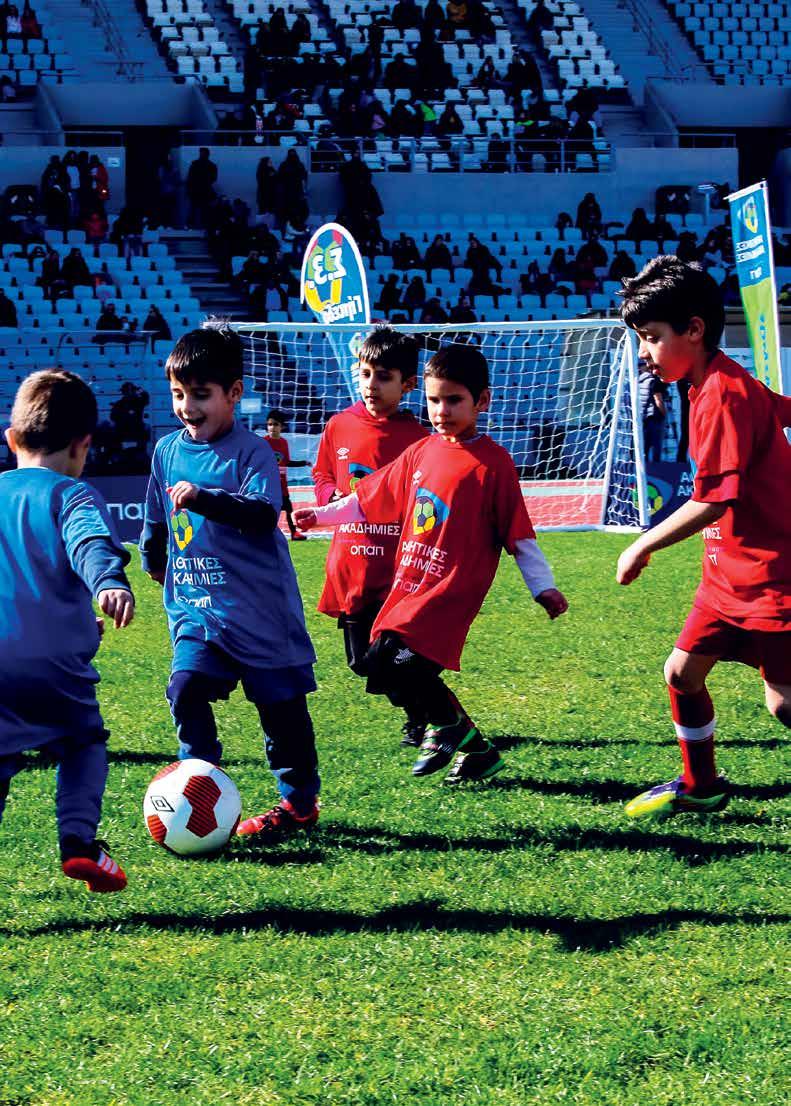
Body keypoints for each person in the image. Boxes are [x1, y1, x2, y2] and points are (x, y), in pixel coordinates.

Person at [296, 343, 568, 783]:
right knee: (377, 666)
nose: (441, 410)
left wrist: (543, 587)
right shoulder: (423, 452)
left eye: (453, 400)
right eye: (434, 400)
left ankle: (445, 729)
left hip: (448, 593)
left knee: (398, 665)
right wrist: (322, 516)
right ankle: (474, 748)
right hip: (409, 586)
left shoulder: (494, 465)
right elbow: (368, 499)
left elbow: (519, 534)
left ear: (481, 401)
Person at [616, 257, 791, 817]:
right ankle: (703, 785)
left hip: (769, 576)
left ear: (693, 330)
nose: (645, 352)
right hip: (726, 577)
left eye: (652, 338)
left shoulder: (722, 392)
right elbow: (777, 409)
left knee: (783, 706)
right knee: (681, 672)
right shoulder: (710, 382)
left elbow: (716, 497)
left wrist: (643, 543)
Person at [139, 327, 321, 839]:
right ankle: (197, 781)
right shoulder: (165, 451)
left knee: (282, 718)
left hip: (262, 615)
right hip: (200, 610)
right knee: (186, 685)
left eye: (201, 394)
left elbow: (263, 514)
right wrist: (154, 556)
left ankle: (299, 806)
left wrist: (202, 498)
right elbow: (155, 513)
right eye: (178, 394)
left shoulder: (253, 453)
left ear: (233, 394)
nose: (187, 406)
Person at [0, 370, 134, 892]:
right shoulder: (72, 496)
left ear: (10, 439)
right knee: (83, 742)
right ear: (84, 445)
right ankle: (78, 842)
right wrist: (107, 582)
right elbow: (89, 542)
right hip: (52, 667)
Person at [311, 327, 430, 746]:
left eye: (383, 376)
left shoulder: (419, 438)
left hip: (397, 567)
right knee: (361, 662)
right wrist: (331, 498)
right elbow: (323, 474)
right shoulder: (340, 425)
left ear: (408, 385)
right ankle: (426, 706)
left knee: (389, 656)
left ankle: (423, 718)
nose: (371, 385)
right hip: (352, 565)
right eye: (365, 374)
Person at [263, 408, 310, 541]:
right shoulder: (263, 442)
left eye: (276, 424)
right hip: (268, 485)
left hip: (282, 484)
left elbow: (286, 462)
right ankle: (265, 533)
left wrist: (303, 462)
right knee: (269, 511)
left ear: (282, 427)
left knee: (288, 508)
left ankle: (294, 533)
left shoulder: (283, 443)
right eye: (270, 424)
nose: (272, 427)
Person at [638, 359, 667, 463]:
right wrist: (664, 413)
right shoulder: (653, 381)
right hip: (655, 417)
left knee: (645, 446)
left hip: (643, 417)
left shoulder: (638, 381)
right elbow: (658, 400)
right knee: (656, 445)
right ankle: (657, 468)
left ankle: (645, 470)